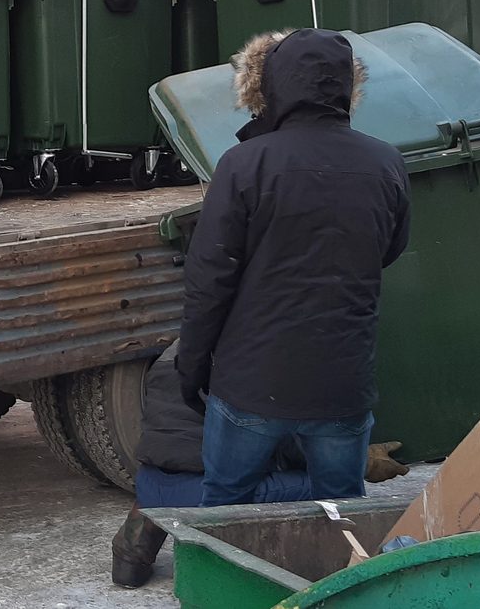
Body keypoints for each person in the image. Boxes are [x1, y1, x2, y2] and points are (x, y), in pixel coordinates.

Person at [176, 28, 412, 507]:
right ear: (347, 87)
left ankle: (229, 580)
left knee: (225, 502)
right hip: (342, 381)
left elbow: (208, 281)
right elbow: (389, 249)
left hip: (252, 380)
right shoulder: (386, 163)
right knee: (342, 506)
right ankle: (338, 580)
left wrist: (191, 368)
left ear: (271, 86)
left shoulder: (244, 164)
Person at [111, 340, 408, 588]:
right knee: (324, 487)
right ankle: (318, 569)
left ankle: (130, 554)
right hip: (204, 496)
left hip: (151, 484)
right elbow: (296, 446)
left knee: (182, 462)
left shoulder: (178, 348)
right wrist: (363, 462)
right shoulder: (262, 361)